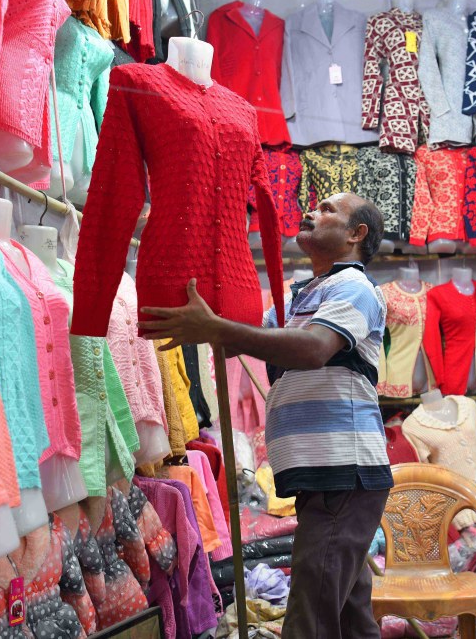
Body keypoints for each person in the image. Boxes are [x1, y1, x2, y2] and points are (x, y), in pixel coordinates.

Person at [140, 192, 391, 638]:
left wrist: (216, 328)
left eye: (329, 210)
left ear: (357, 235)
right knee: (349, 616)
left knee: (308, 619)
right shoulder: (298, 298)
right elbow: (246, 338)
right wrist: (209, 320)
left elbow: (314, 349)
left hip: (343, 472)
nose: (312, 212)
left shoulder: (354, 288)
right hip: (322, 474)